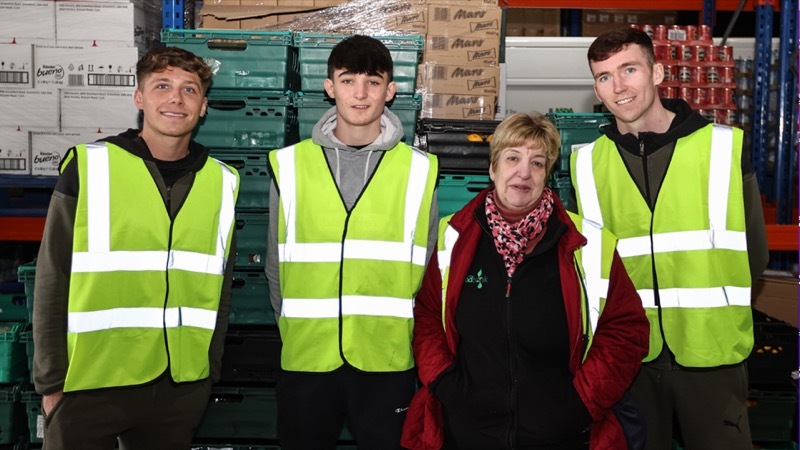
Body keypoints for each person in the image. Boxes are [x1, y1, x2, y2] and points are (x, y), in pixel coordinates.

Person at [571, 28, 770, 450]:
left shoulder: (722, 148)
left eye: (629, 70)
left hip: (711, 353)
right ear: (596, 89)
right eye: (604, 77)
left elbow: (755, 254)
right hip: (630, 358)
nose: (619, 86)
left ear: (658, 72)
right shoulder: (586, 164)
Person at [401, 112, 650, 450]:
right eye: (513, 158)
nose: (523, 172)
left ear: (547, 175)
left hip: (559, 434)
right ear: (493, 168)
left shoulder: (588, 243)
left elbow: (625, 330)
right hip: (470, 432)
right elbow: (428, 316)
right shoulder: (453, 237)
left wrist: (581, 403)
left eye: (537, 163)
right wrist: (446, 384)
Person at [33, 46, 240, 450]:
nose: (176, 99)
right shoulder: (90, 167)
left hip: (178, 389)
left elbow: (221, 290)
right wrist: (51, 381)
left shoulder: (222, 181)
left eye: (190, 90)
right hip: (91, 383)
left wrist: (207, 373)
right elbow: (52, 277)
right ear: (139, 97)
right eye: (162, 86)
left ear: (203, 107)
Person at [265, 34, 439, 450]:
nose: (360, 94)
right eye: (347, 81)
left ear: (391, 91)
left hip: (387, 361)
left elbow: (430, 269)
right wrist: (295, 332)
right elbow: (275, 266)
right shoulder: (289, 165)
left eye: (373, 82)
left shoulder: (419, 171)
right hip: (306, 360)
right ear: (329, 87)